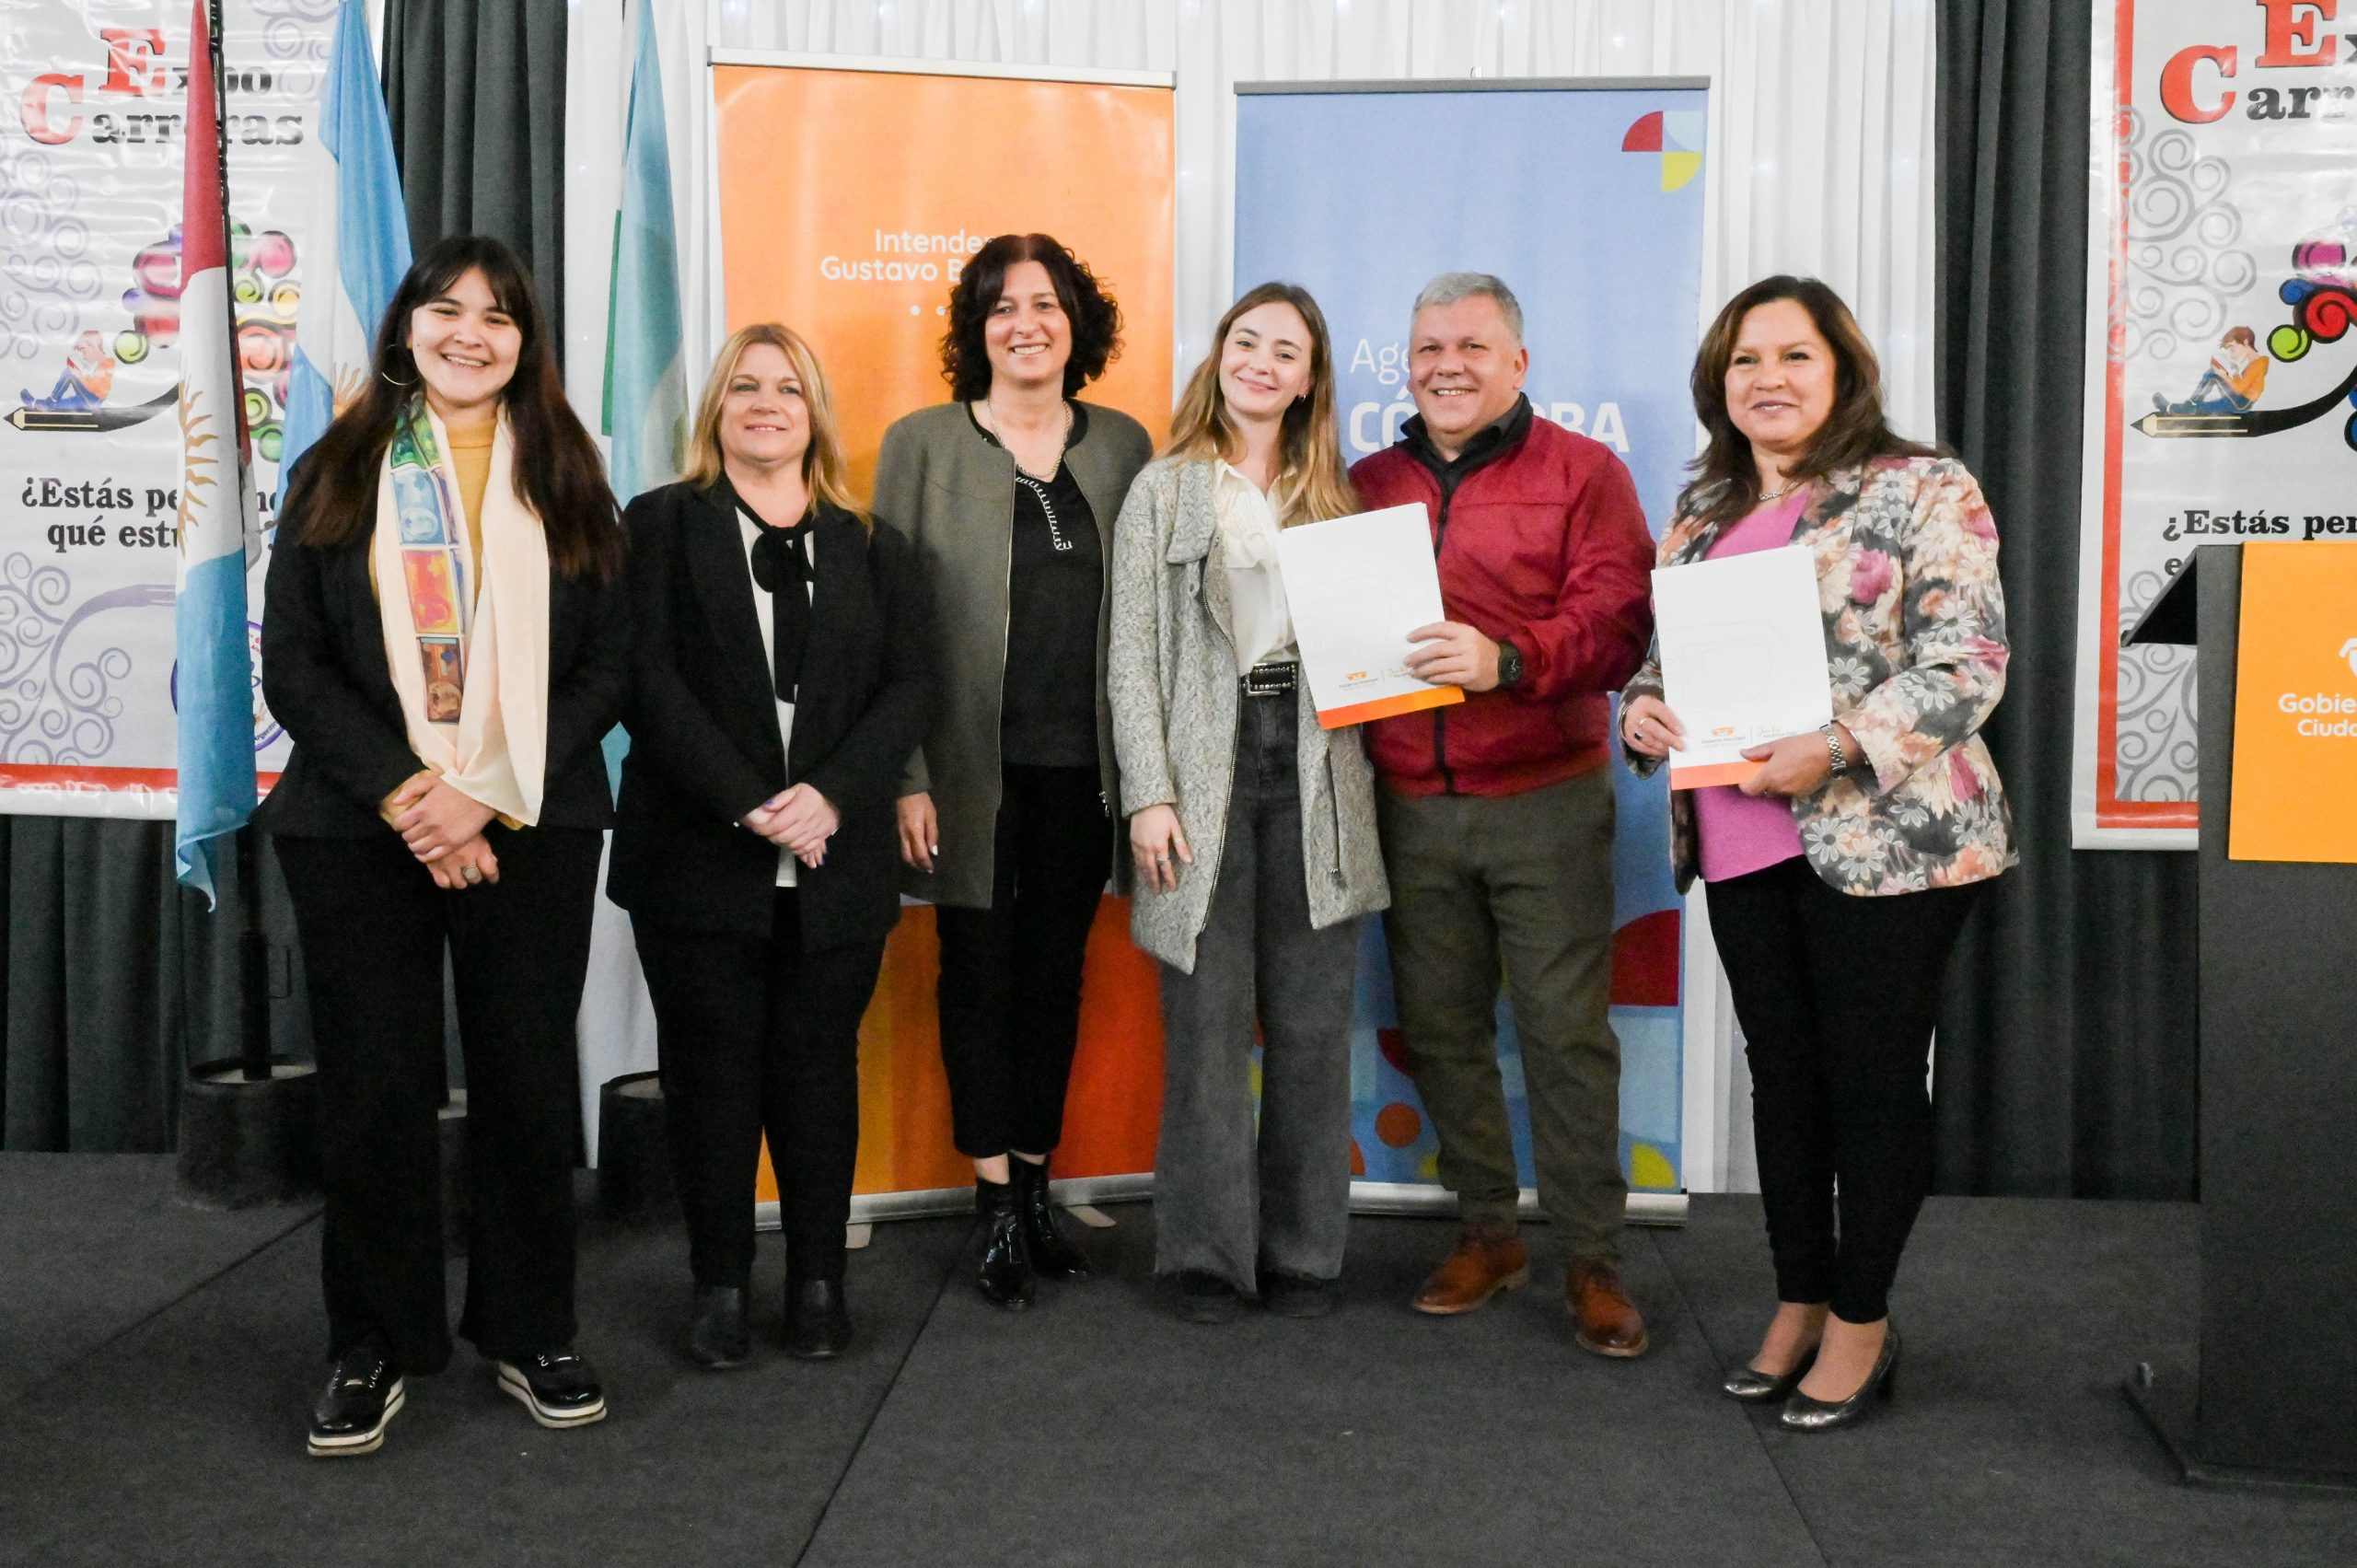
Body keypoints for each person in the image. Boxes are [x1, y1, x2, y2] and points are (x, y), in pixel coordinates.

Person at [1620, 274, 2014, 1432]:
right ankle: (1797, 1297)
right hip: (1738, 836)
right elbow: (1665, 660)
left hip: (1888, 840)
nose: (1769, 379)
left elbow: (1969, 663)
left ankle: (1860, 1319)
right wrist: (1640, 709)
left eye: (1794, 355)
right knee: (1783, 1081)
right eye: (1746, 360)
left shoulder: (1920, 486)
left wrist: (1836, 745)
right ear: (1719, 383)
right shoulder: (1699, 510)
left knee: (1870, 1082)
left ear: (1841, 369)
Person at [259, 236, 629, 1456]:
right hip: (359, 826)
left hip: (530, 824)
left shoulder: (571, 475)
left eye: (499, 315)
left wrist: (485, 794)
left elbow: (608, 665)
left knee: (526, 1080)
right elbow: (294, 663)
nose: (472, 332)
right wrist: (413, 793)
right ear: (407, 325)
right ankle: (372, 1339)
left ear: (526, 341)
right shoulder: (338, 466)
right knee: (375, 1087)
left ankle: (531, 1327)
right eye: (448, 309)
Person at [608, 325, 931, 1368]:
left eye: (787, 388)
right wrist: (749, 801)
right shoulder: (659, 524)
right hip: (696, 855)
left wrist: (831, 795)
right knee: (710, 1076)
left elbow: (910, 686)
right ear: (715, 408)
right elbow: (642, 678)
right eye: (743, 385)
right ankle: (718, 1283)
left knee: (817, 1073)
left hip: (837, 861)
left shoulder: (871, 543)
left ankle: (818, 1281)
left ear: (814, 413)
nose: (764, 403)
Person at [1349, 273, 1656, 1355]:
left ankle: (1592, 1258)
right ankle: (1488, 1231)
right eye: (1428, 347)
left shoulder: (1585, 471)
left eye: (1471, 346)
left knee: (1565, 1036)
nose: (1447, 365)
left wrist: (1509, 657)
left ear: (1518, 362)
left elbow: (1617, 623)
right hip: (1409, 805)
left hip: (1544, 799)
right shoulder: (1364, 482)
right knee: (1440, 1030)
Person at [873, 233, 1154, 1308]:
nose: (1024, 323)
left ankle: (1036, 1187)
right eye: (1001, 306)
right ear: (975, 328)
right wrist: (904, 773)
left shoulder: (1122, 444)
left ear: (1077, 323)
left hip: (1083, 771)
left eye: (1044, 303)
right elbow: (885, 624)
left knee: (1055, 976)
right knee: (975, 974)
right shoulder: (922, 443)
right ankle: (991, 1202)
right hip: (961, 774)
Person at [1109, 283, 1389, 1324]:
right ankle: (1204, 1255)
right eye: (1247, 341)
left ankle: (1306, 1254)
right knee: (1207, 1027)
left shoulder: (1338, 498)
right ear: (1220, 354)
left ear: (1310, 379)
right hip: (1204, 770)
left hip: (1316, 770)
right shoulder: (1162, 490)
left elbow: (1375, 653)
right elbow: (1129, 659)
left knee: (1313, 1027)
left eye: (1286, 351)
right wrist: (1149, 793)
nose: (1262, 363)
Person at [2154, 326, 2266, 414]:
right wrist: (2236, 374)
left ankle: (2190, 405)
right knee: (2201, 407)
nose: (2232, 355)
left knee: (2213, 374)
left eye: (2232, 349)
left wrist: (2224, 376)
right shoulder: (2255, 364)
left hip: (2241, 404)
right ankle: (2169, 408)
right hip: (2239, 401)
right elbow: (2244, 387)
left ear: (2245, 342)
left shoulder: (2258, 365)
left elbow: (2241, 390)